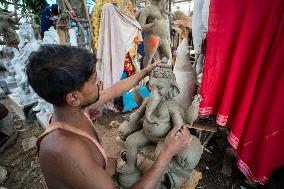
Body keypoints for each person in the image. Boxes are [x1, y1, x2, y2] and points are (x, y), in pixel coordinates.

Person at [26, 44, 191, 189]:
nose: (99, 82)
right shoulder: (67, 150)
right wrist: (167, 153)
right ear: (74, 98)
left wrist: (147, 71)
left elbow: (115, 90)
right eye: (93, 80)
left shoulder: (71, 108)